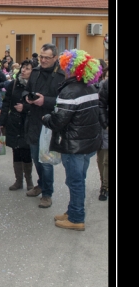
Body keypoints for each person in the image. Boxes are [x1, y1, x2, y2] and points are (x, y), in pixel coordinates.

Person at [42, 49, 103, 231]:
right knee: (78, 180)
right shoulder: (90, 87)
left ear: (72, 68)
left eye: (66, 66)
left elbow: (59, 121)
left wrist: (46, 118)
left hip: (74, 145)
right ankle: (72, 211)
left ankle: (76, 218)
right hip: (88, 144)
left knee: (75, 183)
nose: (63, 69)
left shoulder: (69, 91)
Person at [25, 43, 66, 208]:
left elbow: (64, 101)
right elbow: (26, 90)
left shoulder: (62, 76)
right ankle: (41, 184)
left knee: (46, 161)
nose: (42, 60)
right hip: (34, 121)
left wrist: (45, 101)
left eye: (46, 57)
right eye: (41, 57)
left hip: (50, 123)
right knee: (36, 157)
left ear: (55, 58)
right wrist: (27, 98)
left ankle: (47, 193)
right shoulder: (35, 72)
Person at [0, 60, 35, 191]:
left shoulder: (34, 85)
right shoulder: (13, 84)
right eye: (23, 67)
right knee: (16, 151)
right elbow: (6, 103)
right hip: (13, 122)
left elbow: (38, 105)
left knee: (26, 151)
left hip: (27, 123)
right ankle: (18, 180)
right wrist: (1, 122)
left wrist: (25, 108)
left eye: (27, 68)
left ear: (33, 71)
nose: (24, 70)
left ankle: (29, 180)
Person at [97, 68, 109, 201]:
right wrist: (105, 123)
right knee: (103, 160)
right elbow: (101, 105)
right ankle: (104, 186)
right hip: (105, 127)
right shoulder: (105, 85)